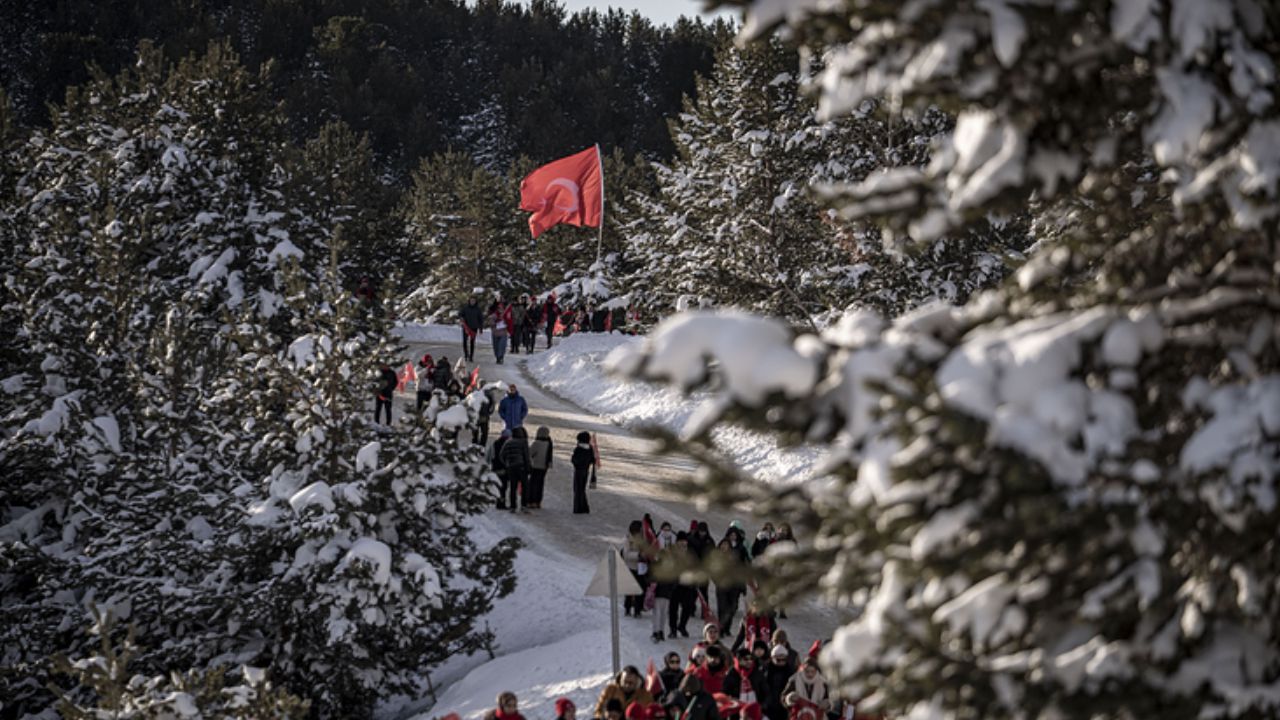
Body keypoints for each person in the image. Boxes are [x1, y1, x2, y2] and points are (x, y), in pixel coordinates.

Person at [669, 531, 696, 638]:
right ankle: (673, 629)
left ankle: (682, 626)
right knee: (673, 609)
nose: (682, 544)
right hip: (675, 585)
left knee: (687, 607)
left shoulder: (691, 553)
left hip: (688, 585)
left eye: (684, 542)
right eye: (680, 542)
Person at [500, 426, 531, 512]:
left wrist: (507, 463)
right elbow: (526, 456)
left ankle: (513, 506)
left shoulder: (508, 442)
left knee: (513, 487)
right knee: (525, 487)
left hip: (511, 467)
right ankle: (524, 505)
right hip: (521, 466)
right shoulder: (523, 442)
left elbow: (501, 455)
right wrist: (528, 468)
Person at [622, 520, 649, 618]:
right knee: (629, 590)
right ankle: (628, 608)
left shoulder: (643, 539)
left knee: (641, 589)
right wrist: (638, 555)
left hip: (641, 568)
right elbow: (626, 554)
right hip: (631, 567)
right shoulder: (627, 540)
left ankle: (638, 609)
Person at [762, 645, 794, 720]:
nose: (781, 662)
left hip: (783, 706)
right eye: (778, 660)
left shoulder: (789, 670)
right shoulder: (765, 669)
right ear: (772, 658)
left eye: (784, 660)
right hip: (768, 705)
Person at [528, 426, 553, 509]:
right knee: (540, 484)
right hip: (544, 467)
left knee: (532, 484)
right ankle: (538, 501)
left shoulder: (537, 443)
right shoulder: (549, 443)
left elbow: (530, 453)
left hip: (535, 466)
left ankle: (531, 501)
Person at [570, 431, 594, 514]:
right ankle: (584, 507)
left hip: (578, 471)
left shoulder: (579, 449)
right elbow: (592, 460)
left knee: (577, 489)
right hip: (586, 471)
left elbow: (574, 460)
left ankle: (578, 508)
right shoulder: (590, 448)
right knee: (582, 489)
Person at [488, 429, 511, 509]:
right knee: (503, 487)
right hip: (504, 468)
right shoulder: (508, 444)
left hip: (496, 468)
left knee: (498, 486)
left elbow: (489, 456)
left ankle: (499, 501)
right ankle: (501, 503)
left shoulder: (495, 444)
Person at [459, 295, 484, 362]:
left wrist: (481, 328)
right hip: (466, 327)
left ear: (475, 302)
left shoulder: (478, 309)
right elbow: (460, 314)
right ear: (469, 301)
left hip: (474, 327)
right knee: (465, 341)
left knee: (472, 342)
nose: (472, 302)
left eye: (474, 301)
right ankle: (466, 354)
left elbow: (480, 319)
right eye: (471, 301)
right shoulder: (465, 308)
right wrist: (461, 318)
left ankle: (471, 356)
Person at [490, 298, 514, 364]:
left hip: (503, 333)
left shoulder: (506, 315)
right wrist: (496, 322)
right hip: (495, 333)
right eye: (499, 308)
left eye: (501, 308)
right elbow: (491, 323)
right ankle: (497, 357)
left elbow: (510, 322)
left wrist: (508, 327)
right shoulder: (494, 315)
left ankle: (501, 357)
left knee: (502, 346)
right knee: (496, 347)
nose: (500, 310)